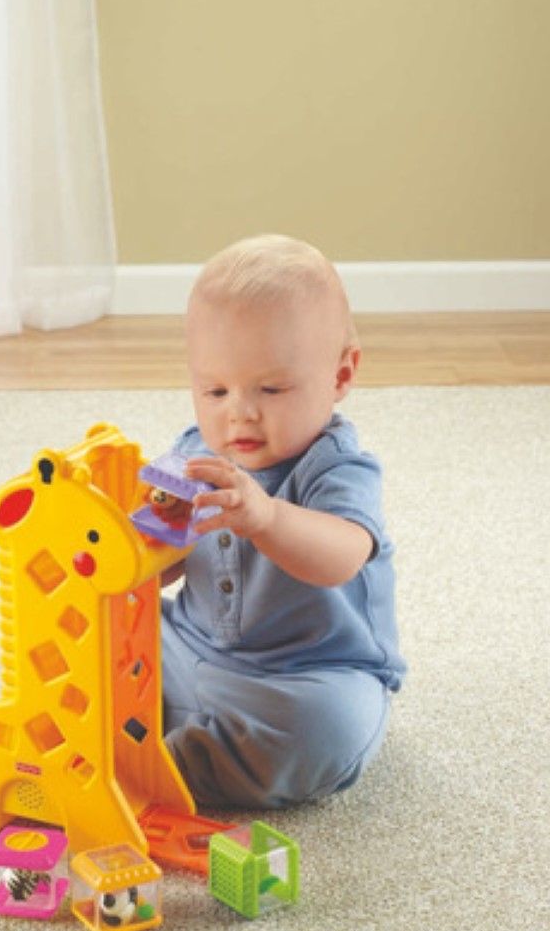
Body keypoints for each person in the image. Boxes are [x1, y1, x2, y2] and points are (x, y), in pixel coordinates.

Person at [160, 233, 405, 808]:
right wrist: (138, 540)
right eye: (214, 390)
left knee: (325, 732)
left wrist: (266, 517)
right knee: (104, 639)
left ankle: (157, 767)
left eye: (271, 388)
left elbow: (341, 556)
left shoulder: (338, 467)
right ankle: (63, 733)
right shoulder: (192, 453)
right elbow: (155, 570)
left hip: (308, 676)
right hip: (190, 648)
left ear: (340, 376)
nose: (239, 412)